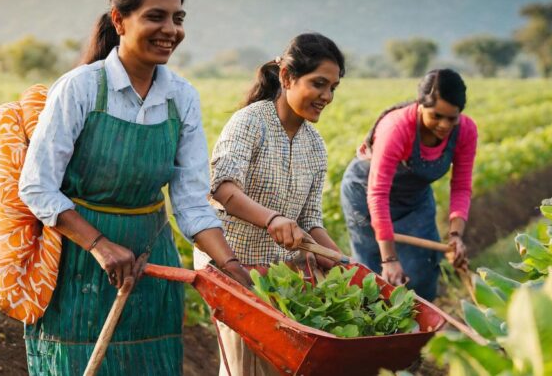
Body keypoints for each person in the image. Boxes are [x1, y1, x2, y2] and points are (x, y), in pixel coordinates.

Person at [19, 0, 251, 376]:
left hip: (151, 260)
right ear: (119, 20)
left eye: (178, 19)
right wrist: (100, 246)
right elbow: (37, 186)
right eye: (155, 16)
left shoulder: (182, 97)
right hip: (79, 261)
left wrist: (232, 268)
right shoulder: (80, 88)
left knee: (149, 363)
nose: (170, 30)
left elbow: (192, 203)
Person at [195, 33, 346, 376]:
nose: (326, 96)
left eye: (333, 87)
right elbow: (222, 188)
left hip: (279, 273)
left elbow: (311, 219)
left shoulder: (315, 144)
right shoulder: (251, 122)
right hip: (232, 266)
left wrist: (343, 263)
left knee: (283, 364)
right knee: (245, 365)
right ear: (287, 78)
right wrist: (272, 219)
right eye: (318, 84)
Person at [340, 69, 477, 301]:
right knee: (375, 278)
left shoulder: (465, 131)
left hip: (415, 199)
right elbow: (378, 193)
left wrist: (456, 235)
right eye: (436, 116)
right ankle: (377, 335)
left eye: (451, 118)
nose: (444, 125)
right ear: (420, 105)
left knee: (423, 271)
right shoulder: (397, 128)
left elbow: (462, 186)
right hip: (365, 194)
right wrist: (390, 259)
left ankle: (417, 334)